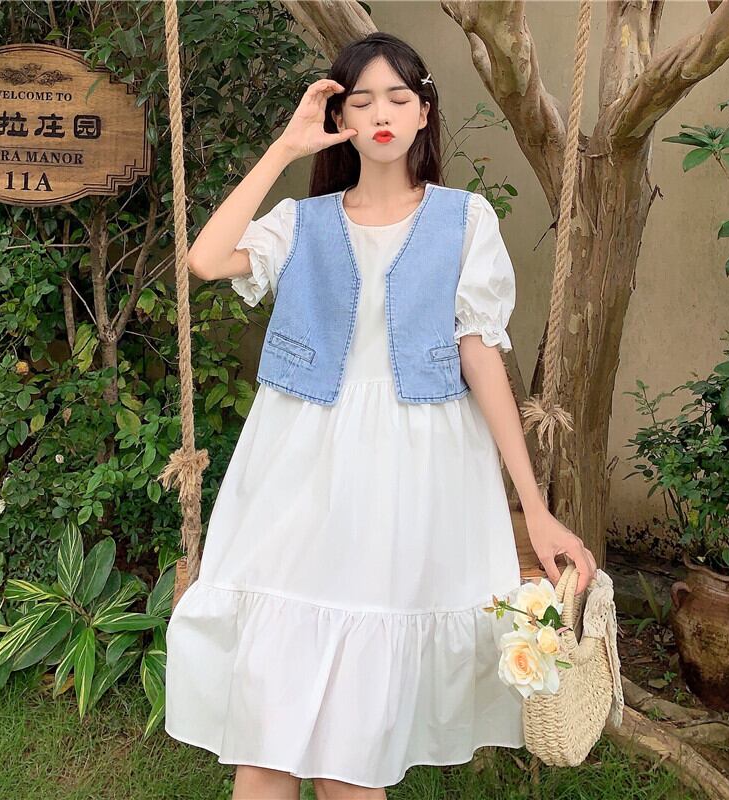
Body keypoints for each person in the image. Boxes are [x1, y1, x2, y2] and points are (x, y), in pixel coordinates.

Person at [165, 31, 597, 800]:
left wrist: (533, 509)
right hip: (298, 477)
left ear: (425, 112)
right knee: (264, 743)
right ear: (340, 120)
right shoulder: (302, 223)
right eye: (361, 101)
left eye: (399, 97)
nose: (382, 114)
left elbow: (480, 359)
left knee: (351, 759)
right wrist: (286, 146)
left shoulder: (464, 221)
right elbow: (204, 259)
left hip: (408, 484)